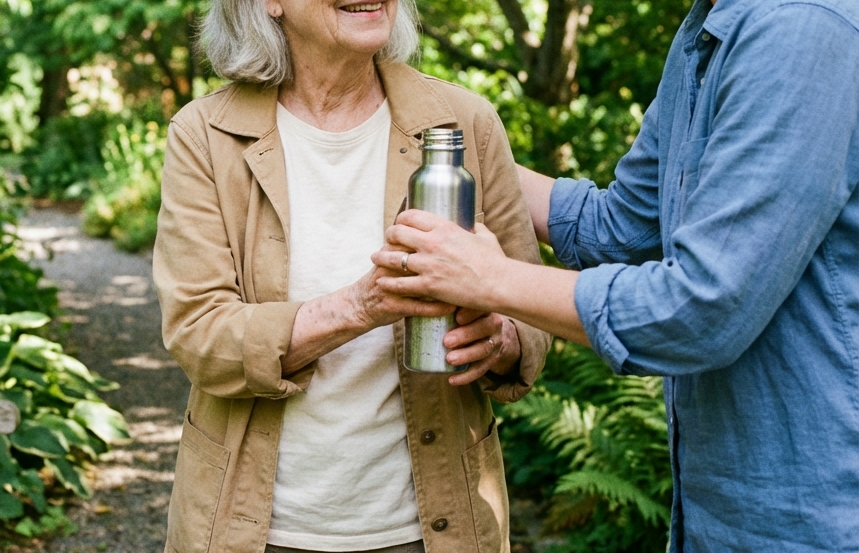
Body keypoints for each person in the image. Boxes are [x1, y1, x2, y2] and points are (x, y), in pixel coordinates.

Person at [372, 0, 859, 550]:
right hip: (714, 515)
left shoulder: (800, 32)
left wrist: (490, 278)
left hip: (815, 519)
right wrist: (461, 141)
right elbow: (620, 226)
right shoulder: (707, 28)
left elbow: (703, 310)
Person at [153, 1, 551, 552]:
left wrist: (501, 338)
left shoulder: (464, 122)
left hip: (434, 528)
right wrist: (361, 306)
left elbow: (530, 308)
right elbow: (199, 333)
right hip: (254, 529)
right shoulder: (205, 134)